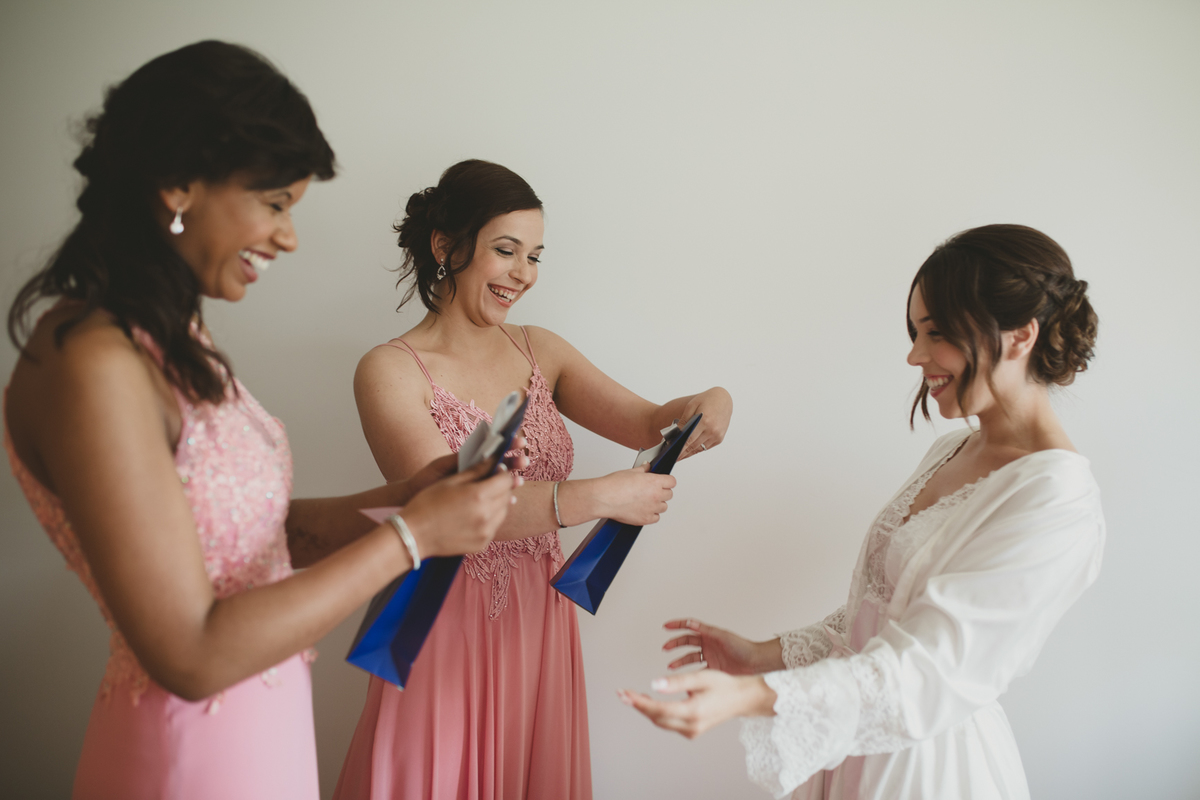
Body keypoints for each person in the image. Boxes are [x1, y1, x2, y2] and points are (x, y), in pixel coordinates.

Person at [4, 42, 523, 800]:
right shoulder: (91, 363)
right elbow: (190, 653)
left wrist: (409, 497)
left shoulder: (172, 342)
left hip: (261, 735)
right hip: (186, 756)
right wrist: (414, 540)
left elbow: (247, 539)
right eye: (275, 204)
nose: (288, 237)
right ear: (179, 182)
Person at [620, 224, 1104, 799]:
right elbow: (880, 609)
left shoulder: (1056, 498)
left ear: (1021, 336)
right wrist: (760, 657)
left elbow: (929, 670)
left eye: (939, 333)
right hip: (853, 749)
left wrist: (751, 699)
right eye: (916, 332)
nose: (915, 355)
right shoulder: (951, 449)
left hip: (923, 768)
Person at [333, 159, 734, 799]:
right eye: (506, 250)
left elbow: (647, 423)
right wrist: (599, 496)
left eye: (536, 255)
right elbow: (445, 506)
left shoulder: (539, 350)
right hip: (443, 617)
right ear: (446, 247)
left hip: (537, 620)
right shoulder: (389, 370)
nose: (525, 273)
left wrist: (712, 399)